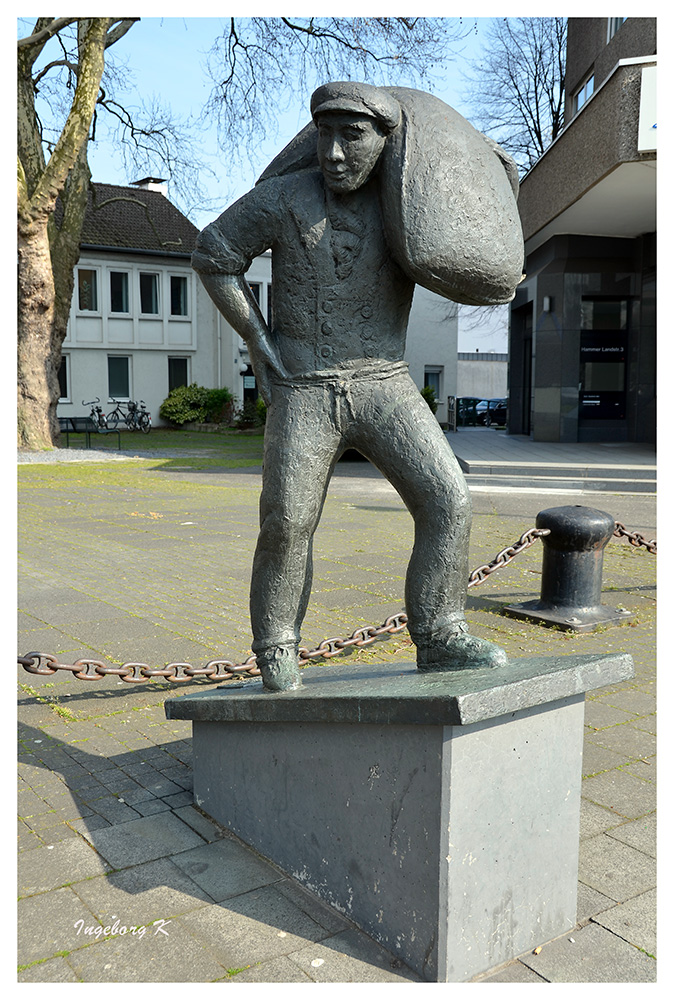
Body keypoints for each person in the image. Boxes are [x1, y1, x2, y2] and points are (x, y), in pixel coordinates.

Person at [192, 81, 508, 691]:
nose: (334, 152)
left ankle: (440, 634)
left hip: (384, 385)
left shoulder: (405, 207)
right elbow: (215, 252)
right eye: (324, 134)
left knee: (448, 501)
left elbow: (470, 245)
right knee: (286, 520)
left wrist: (494, 181)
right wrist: (257, 340)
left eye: (352, 135)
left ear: (386, 141)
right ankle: (277, 644)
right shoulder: (285, 198)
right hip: (305, 389)